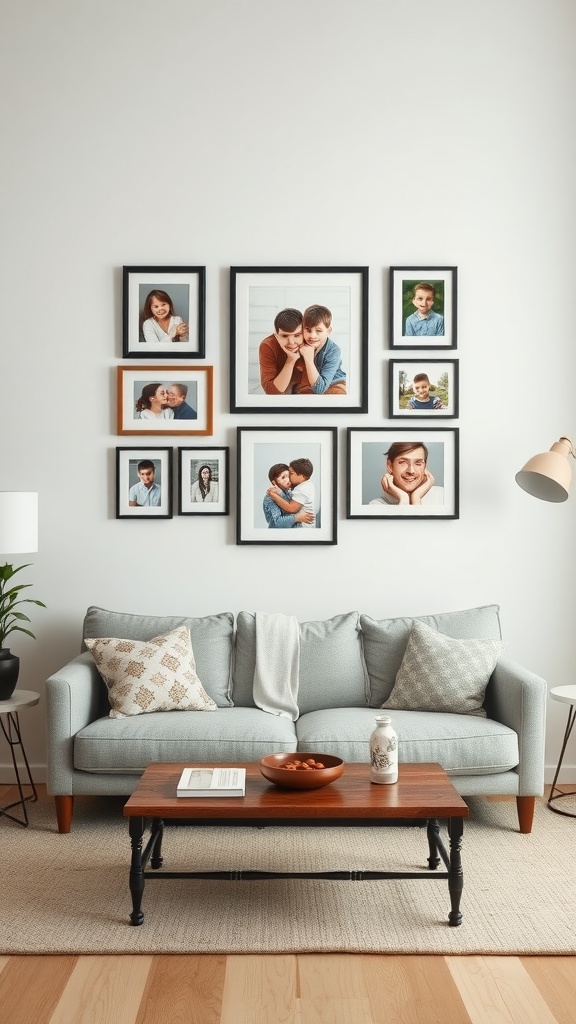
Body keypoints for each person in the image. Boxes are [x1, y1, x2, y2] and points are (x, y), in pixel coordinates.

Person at [369, 441, 444, 506]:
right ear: (390, 466)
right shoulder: (375, 505)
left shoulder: (443, 496)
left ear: (425, 467)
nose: (411, 471)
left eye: (418, 463)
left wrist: (416, 498)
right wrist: (403, 499)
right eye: (403, 462)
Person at [296, 304, 347, 395]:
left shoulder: (334, 350)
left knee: (337, 395)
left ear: (328, 331)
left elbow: (320, 389)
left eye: (318, 331)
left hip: (334, 382)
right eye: (308, 330)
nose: (312, 336)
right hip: (310, 382)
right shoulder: (299, 343)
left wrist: (308, 360)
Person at [259, 308, 306, 395]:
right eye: (284, 336)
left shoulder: (312, 341)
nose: (291, 342)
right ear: (276, 336)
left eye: (297, 335)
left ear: (304, 332)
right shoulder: (268, 346)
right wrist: (291, 360)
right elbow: (271, 391)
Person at [266, 458, 316, 527]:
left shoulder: (302, 489)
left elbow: (291, 508)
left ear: (302, 476)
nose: (288, 479)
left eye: (290, 474)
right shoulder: (306, 485)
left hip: (302, 527)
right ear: (274, 482)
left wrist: (273, 495)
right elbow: (276, 523)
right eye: (284, 477)